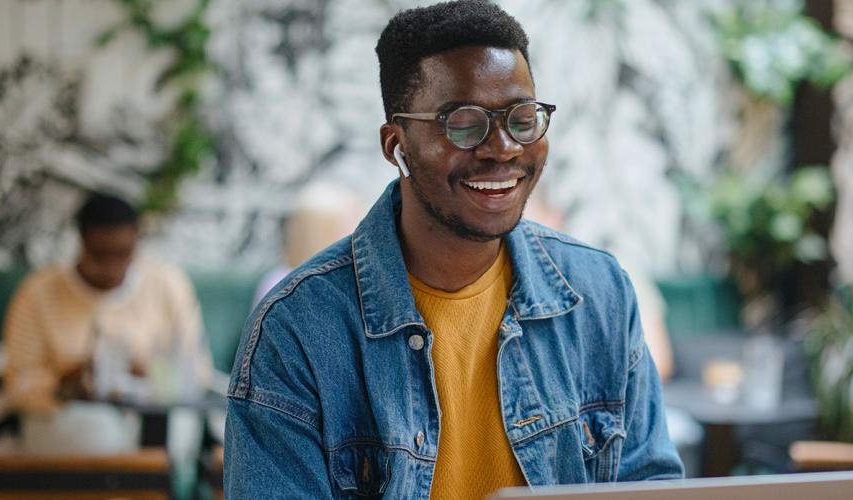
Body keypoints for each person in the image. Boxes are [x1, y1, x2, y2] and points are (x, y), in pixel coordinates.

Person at [224, 2, 683, 497]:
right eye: (464, 124)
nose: (503, 147)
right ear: (396, 144)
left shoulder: (599, 292)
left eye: (522, 118)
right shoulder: (297, 330)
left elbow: (648, 482)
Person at [2, 192, 212, 455]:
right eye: (100, 255)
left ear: (137, 243)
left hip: (151, 413)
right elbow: (17, 385)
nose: (113, 267)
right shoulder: (38, 292)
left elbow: (198, 370)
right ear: (81, 243)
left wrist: (147, 371)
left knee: (174, 429)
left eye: (123, 254)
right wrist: (64, 383)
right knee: (98, 434)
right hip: (70, 419)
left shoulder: (169, 284)